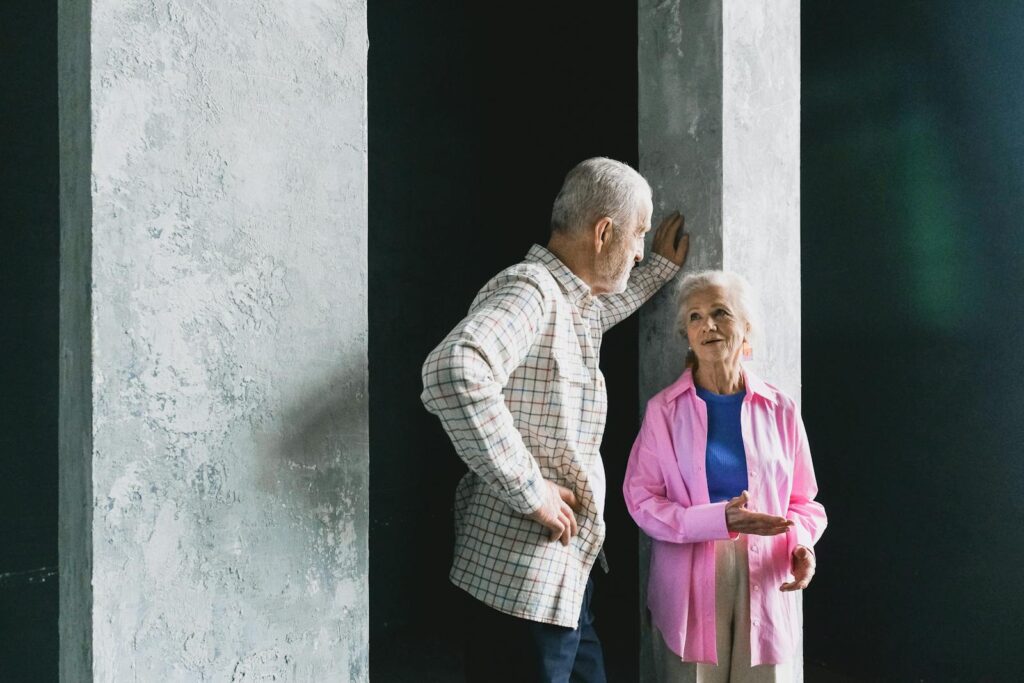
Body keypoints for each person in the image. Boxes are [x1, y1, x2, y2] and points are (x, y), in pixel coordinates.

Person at [421, 157, 690, 682]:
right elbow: (453, 371)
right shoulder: (532, 289)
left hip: (565, 579)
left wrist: (659, 270)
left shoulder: (573, 300)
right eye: (638, 236)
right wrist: (531, 491)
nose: (639, 251)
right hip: (521, 586)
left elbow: (607, 307)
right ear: (604, 232)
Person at [623, 270, 827, 683]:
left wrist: (801, 545)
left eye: (720, 312)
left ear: (746, 325)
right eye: (695, 317)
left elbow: (805, 503)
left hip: (767, 571)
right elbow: (640, 500)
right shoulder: (664, 410)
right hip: (689, 577)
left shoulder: (781, 408)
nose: (708, 326)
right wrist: (718, 520)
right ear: (686, 334)